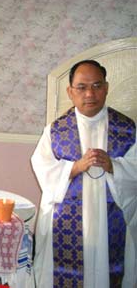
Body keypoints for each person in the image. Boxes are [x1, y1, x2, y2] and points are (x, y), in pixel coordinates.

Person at [31, 60, 137, 287]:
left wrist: (114, 166)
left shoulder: (128, 130)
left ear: (106, 88)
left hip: (111, 222)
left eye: (97, 86)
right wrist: (74, 167)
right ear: (70, 91)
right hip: (66, 226)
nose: (90, 93)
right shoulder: (55, 131)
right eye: (82, 87)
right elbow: (42, 167)